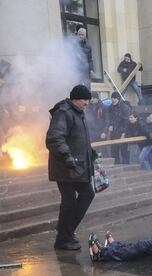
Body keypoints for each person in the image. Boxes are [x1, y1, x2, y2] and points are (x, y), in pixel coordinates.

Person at [45, 85, 96, 250]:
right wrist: (67, 156)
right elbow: (54, 138)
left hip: (76, 166)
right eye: (85, 99)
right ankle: (63, 238)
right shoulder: (64, 112)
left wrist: (90, 152)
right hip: (65, 167)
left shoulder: (77, 113)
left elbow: (77, 139)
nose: (87, 103)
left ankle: (65, 232)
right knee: (69, 202)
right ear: (76, 98)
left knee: (87, 193)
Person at [107, 92, 131, 164]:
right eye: (112, 98)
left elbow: (126, 121)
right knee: (114, 152)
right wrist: (110, 125)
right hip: (113, 133)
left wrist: (123, 133)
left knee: (124, 152)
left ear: (118, 99)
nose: (113, 100)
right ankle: (116, 167)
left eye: (115, 98)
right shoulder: (110, 108)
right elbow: (108, 119)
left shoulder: (124, 107)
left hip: (122, 133)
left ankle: (126, 168)